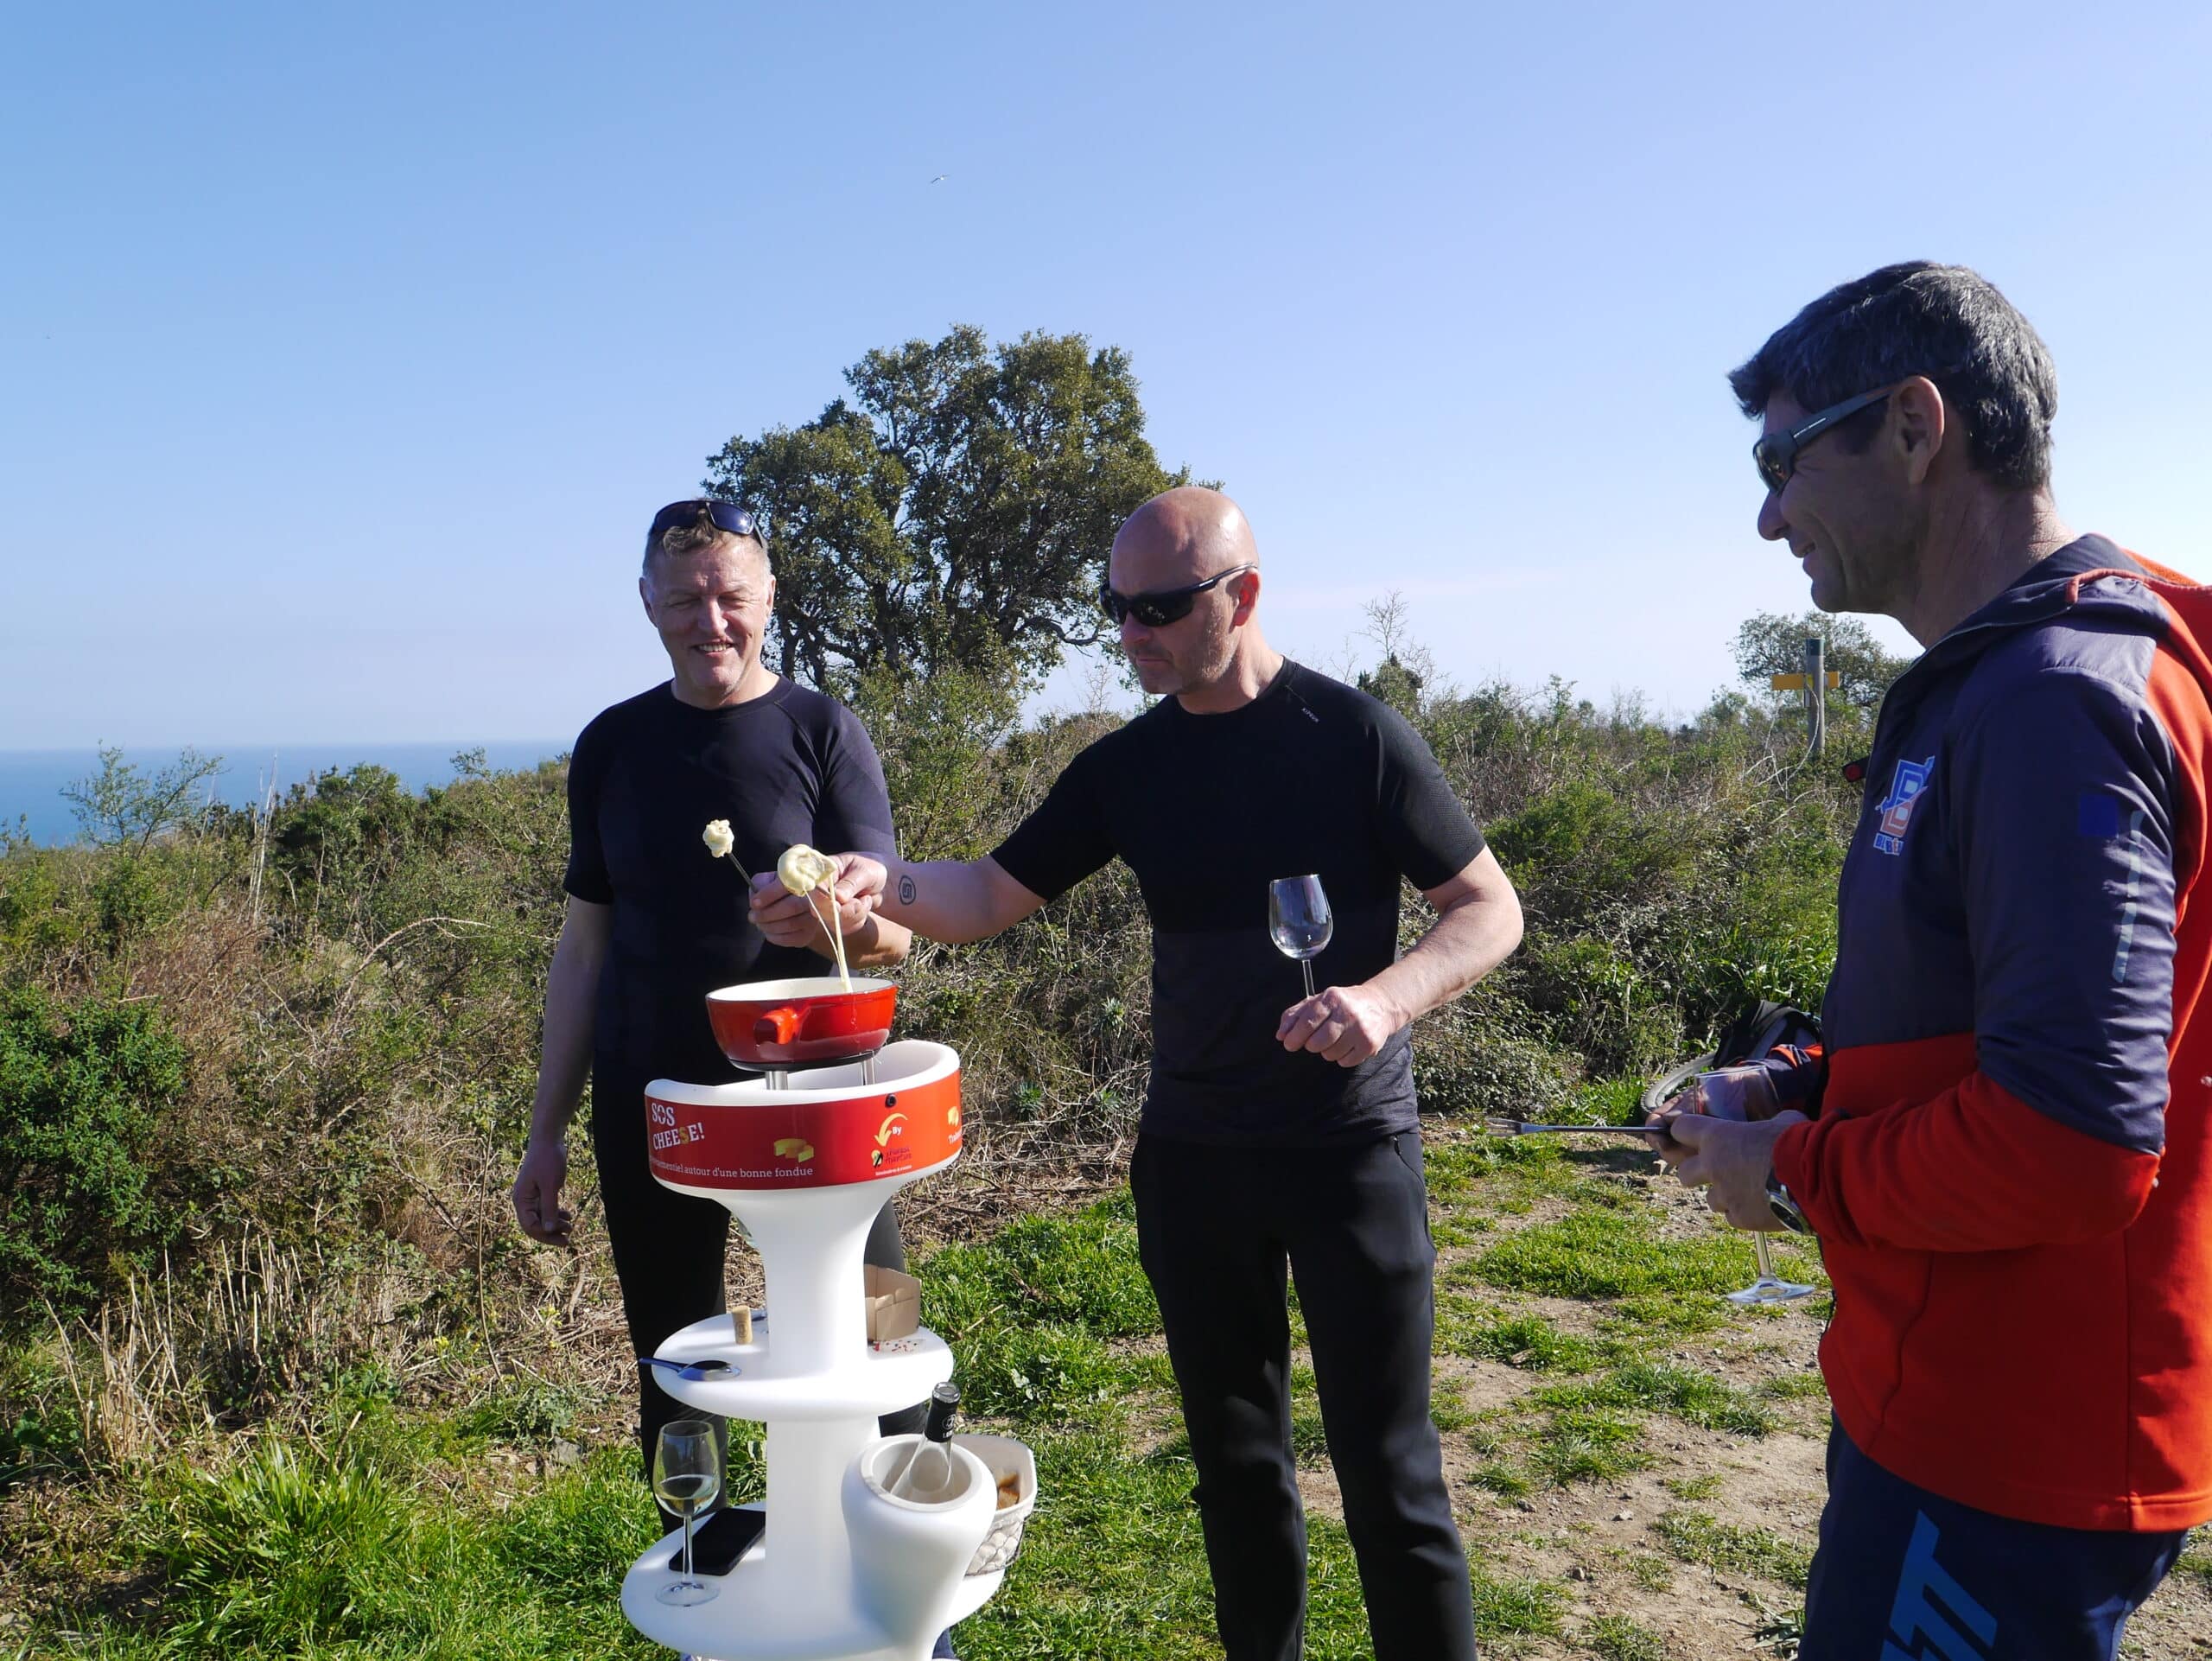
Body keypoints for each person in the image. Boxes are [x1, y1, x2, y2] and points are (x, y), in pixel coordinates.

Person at [762, 487, 1524, 1661]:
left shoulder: (1355, 735)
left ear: (1244, 595)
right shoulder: (1129, 766)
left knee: (1389, 1467)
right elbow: (984, 892)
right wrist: (874, 886)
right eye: (1116, 609)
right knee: (1234, 1464)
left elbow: (1489, 909)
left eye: (1159, 609)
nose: (1132, 635)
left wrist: (1383, 998)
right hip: (1196, 1157)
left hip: (1347, 1150)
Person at [1656, 262, 2212, 1658]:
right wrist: (1798, 1084)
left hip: (2015, 1434)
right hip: (1960, 1395)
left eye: (1785, 457)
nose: (1768, 510)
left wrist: (1783, 1176)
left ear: (1915, 425)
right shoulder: (2030, 673)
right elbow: (1995, 1027)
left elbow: (2072, 1139)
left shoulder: (2053, 700)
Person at [511, 500, 928, 1511]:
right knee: (676, 1357)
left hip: (812, 1096)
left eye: (732, 596)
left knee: (872, 1331)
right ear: (648, 604)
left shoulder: (821, 729)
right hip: (656, 1092)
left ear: (769, 598)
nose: (713, 621)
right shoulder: (611, 744)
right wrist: (545, 1134)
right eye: (688, 598)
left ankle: (904, 1548)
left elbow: (897, 936)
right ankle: (702, 1570)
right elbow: (584, 947)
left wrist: (836, 917)